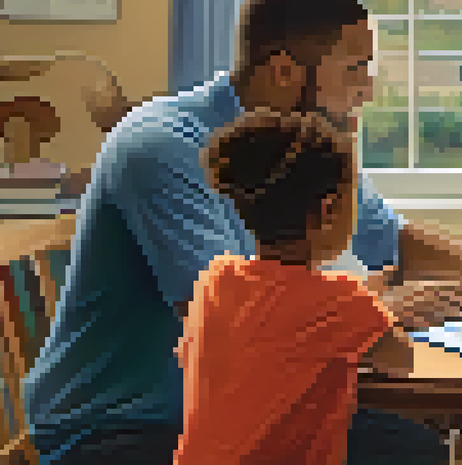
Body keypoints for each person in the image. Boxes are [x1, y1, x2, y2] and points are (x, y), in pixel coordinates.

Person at [24, 0, 462, 465]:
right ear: (283, 71)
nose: (368, 88)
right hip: (121, 427)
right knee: (405, 447)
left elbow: (388, 237)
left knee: (408, 438)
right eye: (355, 68)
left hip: (237, 408)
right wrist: (364, 311)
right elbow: (233, 322)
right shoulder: (163, 147)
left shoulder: (297, 146)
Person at [175, 111, 416, 464]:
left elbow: (279, 322)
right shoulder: (342, 301)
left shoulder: (217, 278)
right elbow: (400, 359)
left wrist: (362, 296)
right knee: (415, 444)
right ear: (328, 210)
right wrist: (368, 301)